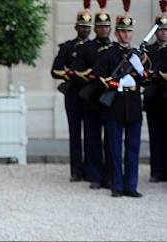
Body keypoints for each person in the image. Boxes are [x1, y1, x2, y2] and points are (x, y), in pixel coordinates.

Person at [95, 4, 147, 198]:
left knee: (133, 148)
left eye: (129, 32)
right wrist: (118, 83)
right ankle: (117, 185)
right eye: (123, 31)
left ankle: (130, 186)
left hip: (133, 105)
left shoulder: (136, 55)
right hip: (115, 105)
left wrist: (140, 69)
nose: (126, 35)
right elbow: (100, 78)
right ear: (116, 33)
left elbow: (145, 79)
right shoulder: (108, 53)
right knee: (115, 149)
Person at [51, 1, 93, 182]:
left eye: (87, 27)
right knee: (75, 134)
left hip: (90, 96)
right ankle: (76, 170)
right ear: (76, 27)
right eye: (81, 26)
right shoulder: (68, 47)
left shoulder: (94, 48)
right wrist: (70, 73)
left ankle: (91, 170)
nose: (84, 29)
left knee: (91, 135)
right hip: (73, 94)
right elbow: (55, 70)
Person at [73, 0, 113, 189]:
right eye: (101, 26)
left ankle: (109, 176)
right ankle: (95, 176)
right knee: (93, 140)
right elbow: (79, 75)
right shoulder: (86, 49)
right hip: (92, 101)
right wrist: (95, 78)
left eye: (107, 26)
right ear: (95, 28)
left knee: (110, 142)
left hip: (110, 101)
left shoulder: (114, 49)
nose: (104, 30)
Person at [144, 4, 167, 183]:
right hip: (153, 98)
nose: (164, 33)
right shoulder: (149, 51)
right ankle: (156, 171)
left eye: (166, 30)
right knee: (155, 135)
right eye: (160, 30)